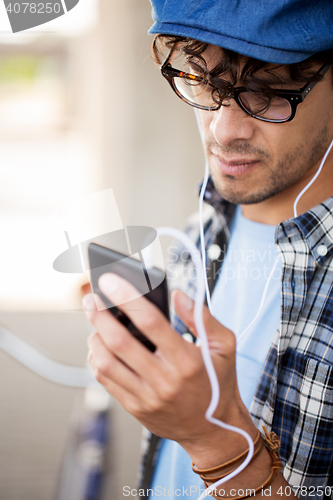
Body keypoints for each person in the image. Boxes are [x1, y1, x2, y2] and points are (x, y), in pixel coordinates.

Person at [83, 1, 333, 498]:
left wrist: (217, 446)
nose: (223, 131)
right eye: (203, 81)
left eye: (266, 92)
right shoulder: (207, 221)